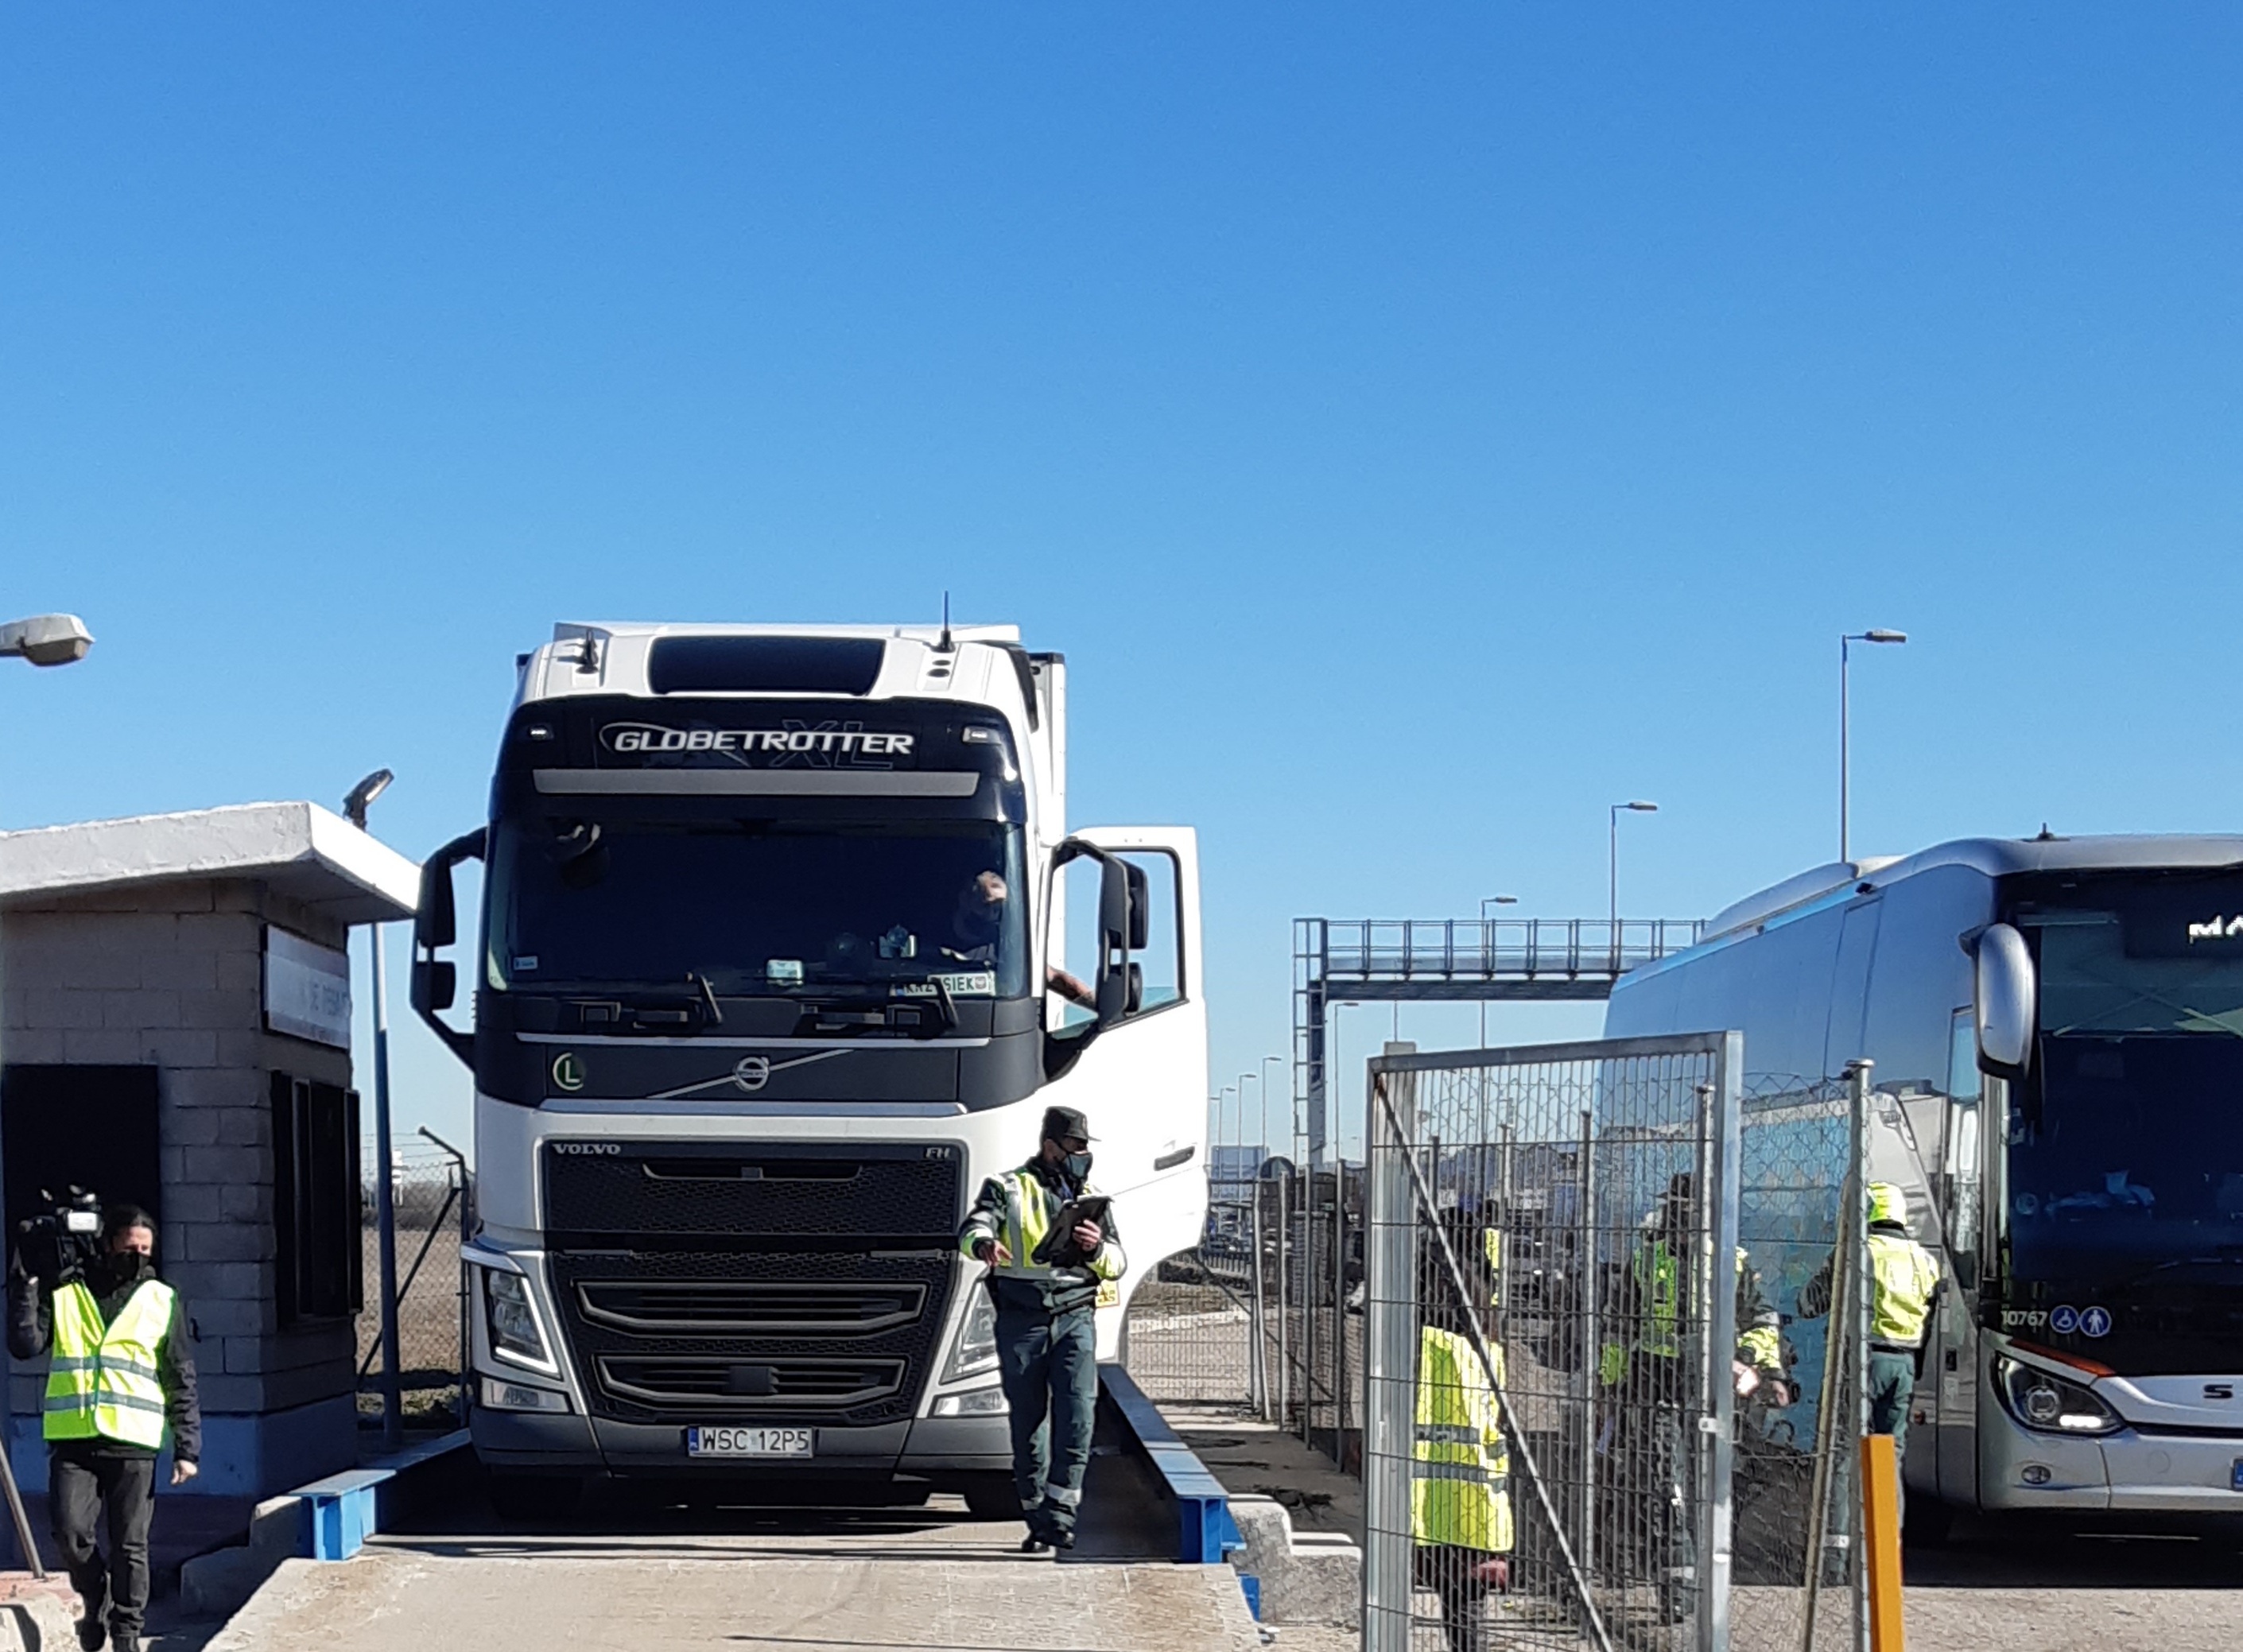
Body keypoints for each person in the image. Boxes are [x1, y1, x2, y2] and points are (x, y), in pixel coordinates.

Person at [9, 1206, 200, 1652]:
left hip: (134, 1442)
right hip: (75, 1439)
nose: (137, 1255)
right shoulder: (68, 1292)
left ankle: (126, 1633)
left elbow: (179, 1375)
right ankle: (95, 1595)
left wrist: (187, 1447)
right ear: (108, 1243)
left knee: (130, 1546)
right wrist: (26, 1283)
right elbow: (25, 1345)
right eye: (130, 1247)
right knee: (70, 1535)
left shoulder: (160, 1298)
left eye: (146, 1250)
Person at [1597, 1174, 1787, 1621]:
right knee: (1669, 1488)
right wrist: (1611, 1384)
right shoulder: (1646, 1260)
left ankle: (1711, 1577)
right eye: (1674, 1207)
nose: (1679, 1216)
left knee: (1717, 1484)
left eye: (1686, 1208)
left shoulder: (1730, 1262)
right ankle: (1678, 1589)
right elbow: (1620, 1328)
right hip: (1655, 1381)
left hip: (1711, 1383)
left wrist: (1758, 1365)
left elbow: (1761, 1320)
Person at [957, 1106, 1125, 1551]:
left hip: (1075, 1318)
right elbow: (973, 1227)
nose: (1082, 1155)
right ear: (1051, 1146)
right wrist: (984, 1243)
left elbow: (1118, 1263)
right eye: (1075, 1146)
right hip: (1023, 1320)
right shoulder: (1008, 1187)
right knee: (1029, 1420)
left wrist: (1095, 1249)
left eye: (1086, 1147)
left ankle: (1061, 1515)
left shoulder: (1093, 1198)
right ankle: (1036, 1515)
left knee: (1078, 1417)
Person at [1413, 1215, 1512, 1652]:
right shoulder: (1487, 1345)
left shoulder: (1418, 1339)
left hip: (1418, 1502)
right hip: (1477, 1507)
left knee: (1402, 1590)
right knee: (1466, 1604)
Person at [1799, 1181, 1942, 1483]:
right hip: (1904, 1363)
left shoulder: (1857, 1253)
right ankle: (1887, 1529)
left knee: (1843, 1447)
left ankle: (1839, 1530)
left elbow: (1809, 1305)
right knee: (1891, 1450)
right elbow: (1930, 1320)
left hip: (1861, 1358)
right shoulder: (1925, 1259)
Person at [947, 871, 1095, 1008]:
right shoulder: (931, 943)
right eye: (988, 905)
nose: (996, 914)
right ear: (966, 900)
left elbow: (1056, 979)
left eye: (1002, 906)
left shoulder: (1004, 948)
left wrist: (1101, 1006)